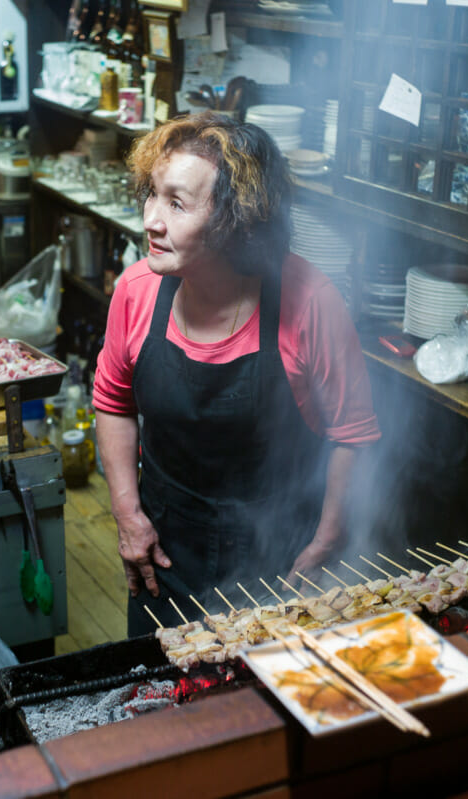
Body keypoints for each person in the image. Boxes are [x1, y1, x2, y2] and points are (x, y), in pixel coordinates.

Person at [92, 111, 381, 637]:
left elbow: (353, 435)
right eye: (152, 195)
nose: (152, 220)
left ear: (236, 220)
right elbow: (113, 402)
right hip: (164, 547)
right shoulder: (136, 291)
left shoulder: (310, 302)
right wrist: (127, 515)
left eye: (177, 203)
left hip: (281, 553)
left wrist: (327, 541)